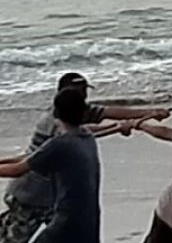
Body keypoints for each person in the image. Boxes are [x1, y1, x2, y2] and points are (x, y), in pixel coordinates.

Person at [0, 72, 169, 243]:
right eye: (79, 92)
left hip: (56, 199)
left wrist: (144, 115)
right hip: (29, 197)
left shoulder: (71, 119)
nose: (84, 96)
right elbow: (21, 166)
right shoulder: (55, 128)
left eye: (83, 91)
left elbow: (101, 118)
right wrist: (122, 125)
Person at [0, 88, 101, 243]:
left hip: (67, 224)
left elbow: (17, 170)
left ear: (56, 114)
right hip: (90, 223)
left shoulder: (59, 145)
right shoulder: (87, 139)